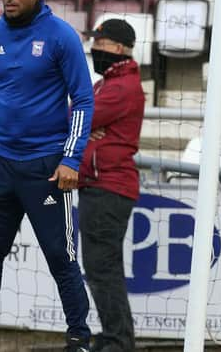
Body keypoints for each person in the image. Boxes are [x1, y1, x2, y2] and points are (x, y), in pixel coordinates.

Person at [0, 0, 95, 352]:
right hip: (0, 163)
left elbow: (83, 100)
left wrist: (71, 159)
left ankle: (79, 340)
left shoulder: (61, 36)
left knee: (60, 256)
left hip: (47, 165)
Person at [78, 19, 145, 352]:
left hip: (108, 187)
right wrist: (87, 129)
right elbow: (81, 121)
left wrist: (85, 128)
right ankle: (115, 337)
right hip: (99, 184)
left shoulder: (120, 87)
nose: (95, 49)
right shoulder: (109, 83)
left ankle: (118, 341)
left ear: (119, 48)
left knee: (101, 268)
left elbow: (76, 119)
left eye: (100, 43)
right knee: (102, 268)